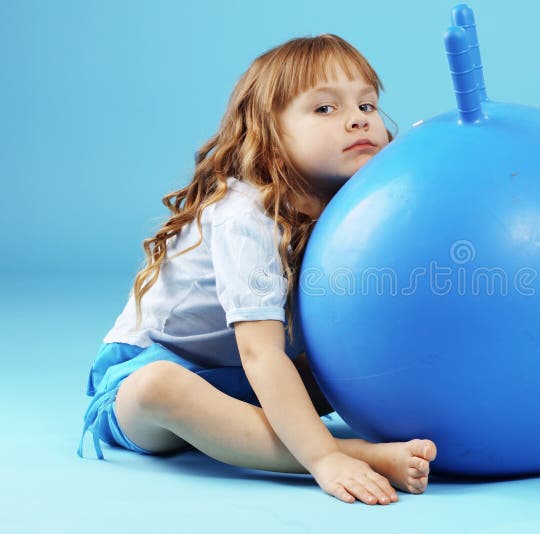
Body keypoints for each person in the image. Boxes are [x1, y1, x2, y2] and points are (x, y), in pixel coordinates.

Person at [78, 34, 437, 506]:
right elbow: (261, 354)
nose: (357, 118)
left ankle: (272, 435)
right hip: (160, 375)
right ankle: (349, 451)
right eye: (325, 109)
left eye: (367, 105)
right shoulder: (244, 215)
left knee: (344, 368)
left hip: (251, 382)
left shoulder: (351, 207)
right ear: (269, 132)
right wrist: (324, 459)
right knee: (157, 389)